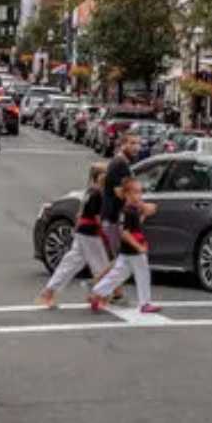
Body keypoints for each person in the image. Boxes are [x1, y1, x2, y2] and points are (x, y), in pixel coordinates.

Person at [36, 164, 110, 308]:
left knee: (70, 263)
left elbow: (80, 213)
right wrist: (104, 233)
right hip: (90, 232)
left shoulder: (90, 192)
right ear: (100, 177)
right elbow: (96, 218)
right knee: (101, 265)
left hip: (83, 231)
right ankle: (97, 296)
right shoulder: (97, 194)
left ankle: (49, 292)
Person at [89, 177, 160, 314]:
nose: (139, 196)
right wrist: (139, 247)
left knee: (117, 275)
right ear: (127, 194)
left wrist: (144, 214)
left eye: (140, 192)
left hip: (126, 252)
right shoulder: (128, 212)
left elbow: (134, 227)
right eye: (135, 192)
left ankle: (96, 294)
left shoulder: (129, 210)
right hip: (134, 251)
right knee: (143, 274)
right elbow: (125, 233)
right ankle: (145, 304)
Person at [100, 134, 139, 303]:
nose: (136, 147)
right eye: (132, 143)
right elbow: (118, 191)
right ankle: (97, 286)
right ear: (122, 144)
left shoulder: (122, 163)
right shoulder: (119, 163)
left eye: (138, 144)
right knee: (119, 258)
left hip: (113, 217)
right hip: (112, 218)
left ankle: (115, 293)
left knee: (119, 258)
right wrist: (137, 202)